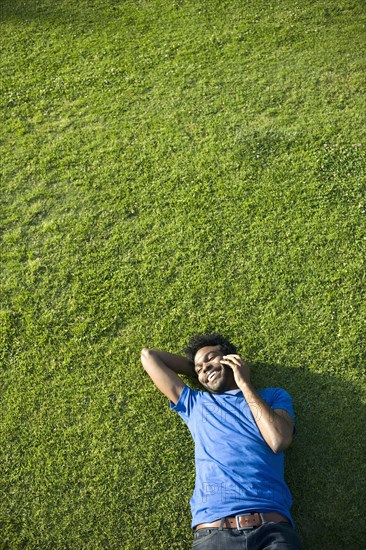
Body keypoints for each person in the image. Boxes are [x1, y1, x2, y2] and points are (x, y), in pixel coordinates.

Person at [141, 333, 302, 549]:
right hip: (214, 533)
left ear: (232, 358)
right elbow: (149, 356)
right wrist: (206, 370)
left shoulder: (273, 397)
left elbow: (279, 440)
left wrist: (243, 383)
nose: (204, 368)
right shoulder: (195, 403)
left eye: (210, 358)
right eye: (198, 369)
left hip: (272, 531)